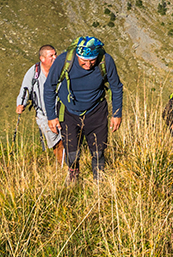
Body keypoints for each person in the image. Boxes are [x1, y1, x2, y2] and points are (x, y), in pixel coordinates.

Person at [43, 35, 124, 181]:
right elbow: (49, 87)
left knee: (98, 149)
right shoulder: (64, 60)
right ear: (77, 55)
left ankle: (99, 178)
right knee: (72, 150)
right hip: (68, 112)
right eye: (84, 61)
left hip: (96, 111)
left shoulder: (106, 60)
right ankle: (73, 175)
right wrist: (51, 116)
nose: (88, 65)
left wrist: (117, 113)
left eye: (92, 60)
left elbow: (116, 87)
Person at [15, 44, 64, 165]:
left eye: (55, 54)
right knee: (56, 142)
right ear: (42, 58)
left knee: (66, 140)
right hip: (44, 115)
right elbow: (25, 89)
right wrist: (21, 104)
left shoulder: (61, 69)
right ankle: (63, 166)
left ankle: (67, 166)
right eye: (51, 55)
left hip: (63, 111)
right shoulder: (34, 72)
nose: (55, 57)